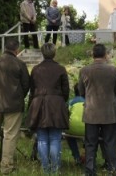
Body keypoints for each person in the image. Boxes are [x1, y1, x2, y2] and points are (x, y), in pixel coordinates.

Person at [0, 38, 30, 174]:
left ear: (5, 48)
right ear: (17, 50)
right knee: (10, 135)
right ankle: (6, 166)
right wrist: (19, 96)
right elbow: (26, 85)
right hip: (14, 104)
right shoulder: (20, 64)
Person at [26, 43, 70, 174]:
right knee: (55, 139)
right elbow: (66, 90)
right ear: (54, 53)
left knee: (42, 139)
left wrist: (31, 106)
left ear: (42, 53)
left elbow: (32, 90)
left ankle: (45, 169)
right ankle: (55, 169)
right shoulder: (61, 69)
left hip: (38, 104)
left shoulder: (35, 69)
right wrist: (61, 101)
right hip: (56, 104)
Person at [77, 44, 116, 175]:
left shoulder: (84, 70)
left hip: (91, 112)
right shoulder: (113, 70)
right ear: (106, 55)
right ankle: (112, 169)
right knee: (110, 142)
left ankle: (90, 170)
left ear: (92, 55)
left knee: (90, 143)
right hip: (109, 112)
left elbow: (80, 91)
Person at [65, 84, 85, 165]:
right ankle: (87, 156)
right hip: (87, 129)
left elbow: (67, 115)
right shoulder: (89, 101)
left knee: (69, 137)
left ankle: (76, 157)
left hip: (72, 129)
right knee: (91, 137)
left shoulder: (71, 102)